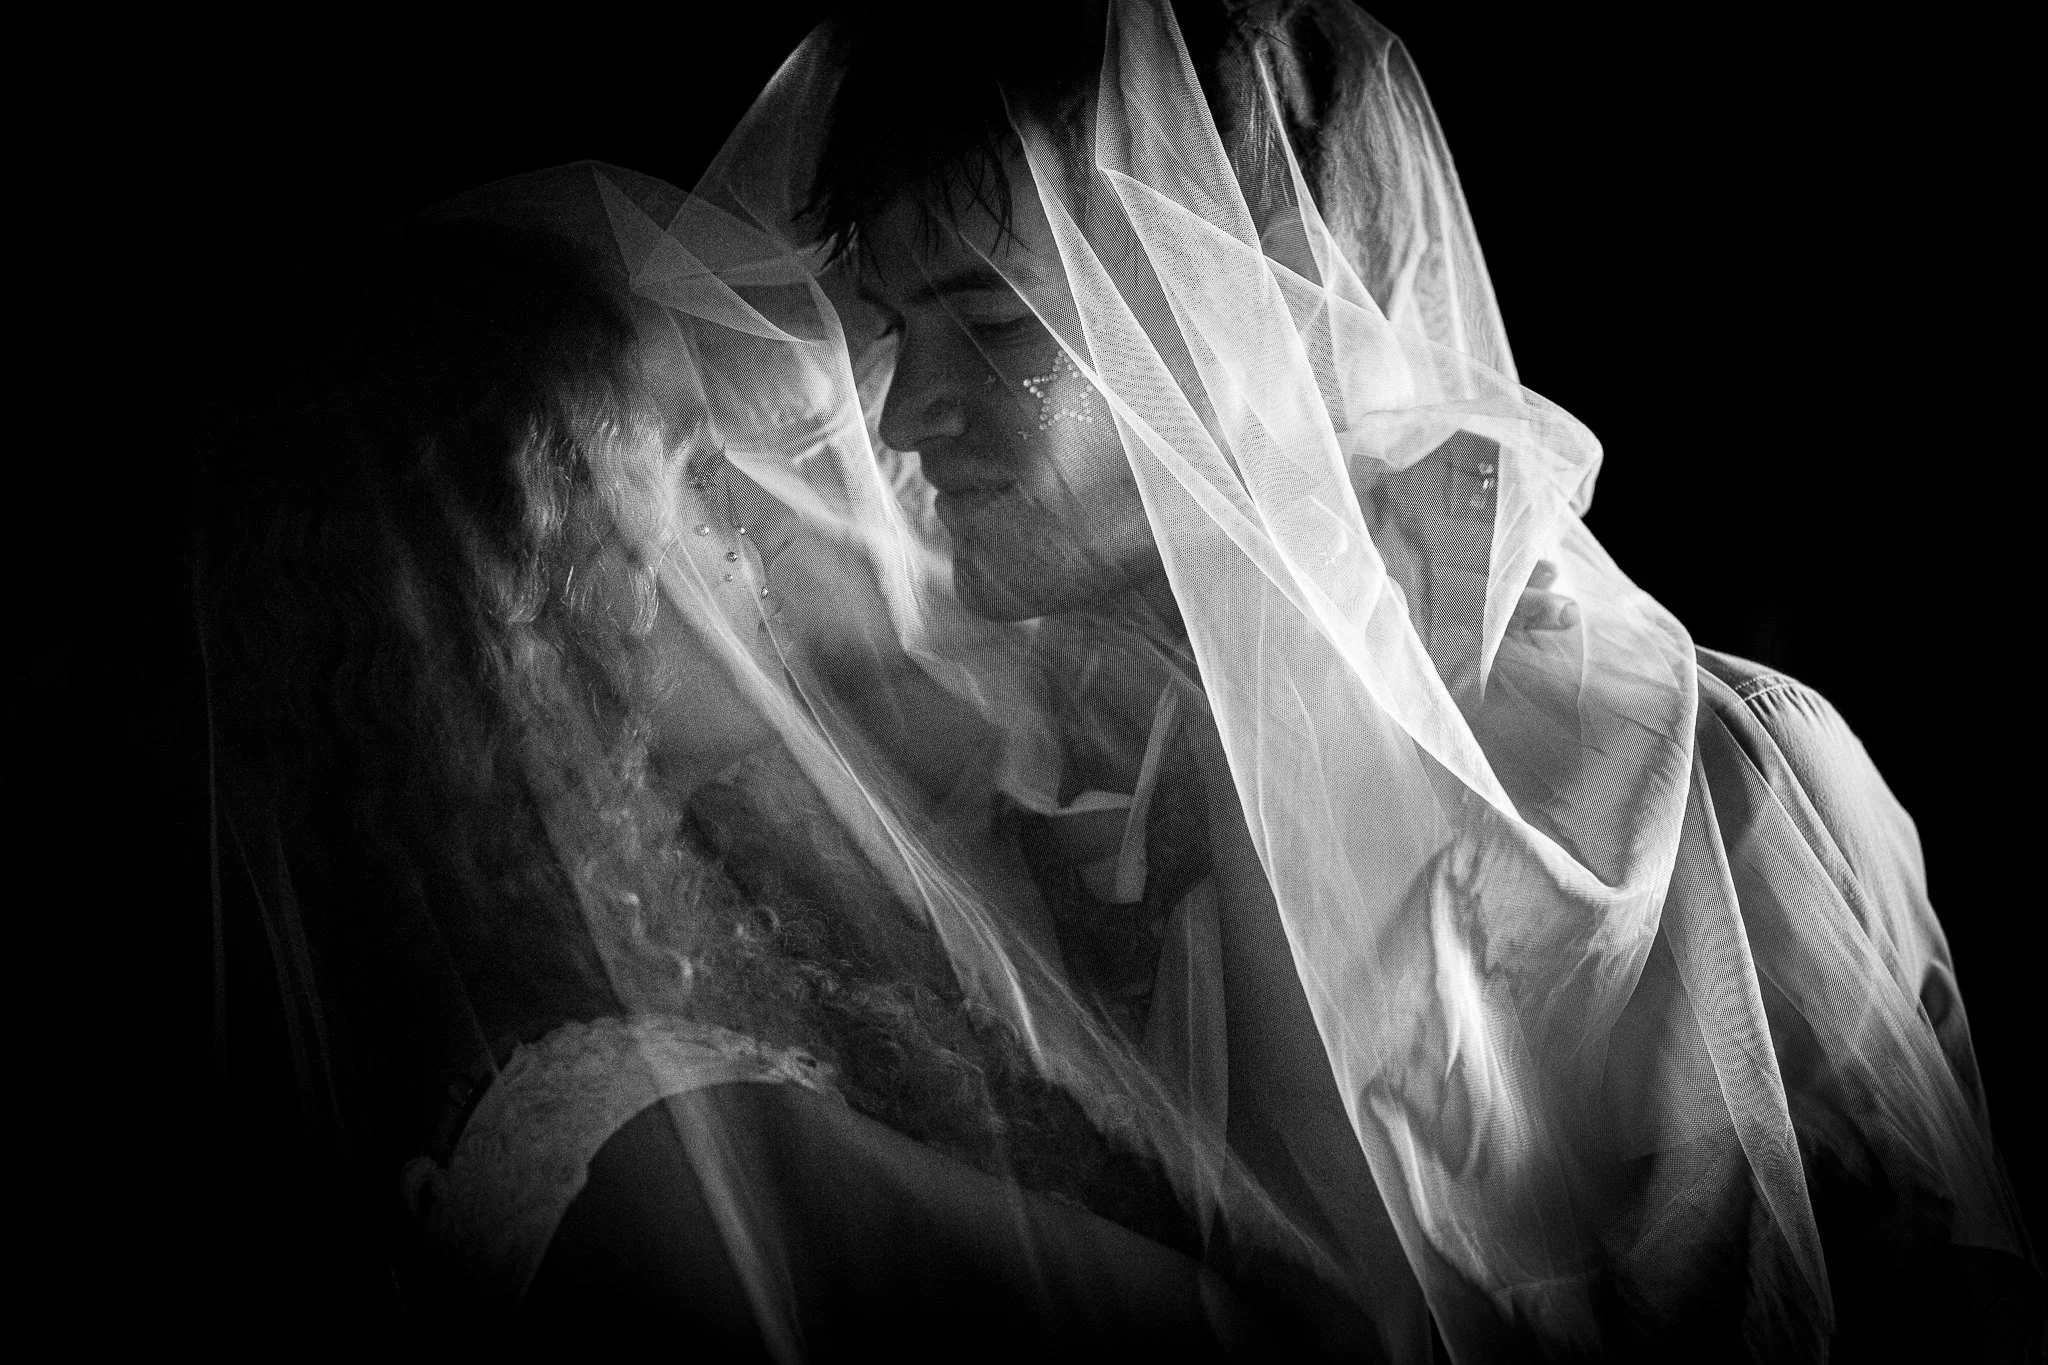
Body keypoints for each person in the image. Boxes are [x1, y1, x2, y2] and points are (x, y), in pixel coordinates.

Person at [662, 0, 2040, 1358]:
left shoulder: (1713, 787)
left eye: (998, 325)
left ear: (1256, 316)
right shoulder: (1067, 819)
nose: (905, 412)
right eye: (897, 327)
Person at [195, 172, 1391, 1357]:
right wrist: (1267, 689)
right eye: (690, 482)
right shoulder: (655, 1130)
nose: (754, 541)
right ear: (531, 588)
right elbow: (1313, 1331)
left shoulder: (600, 1000)